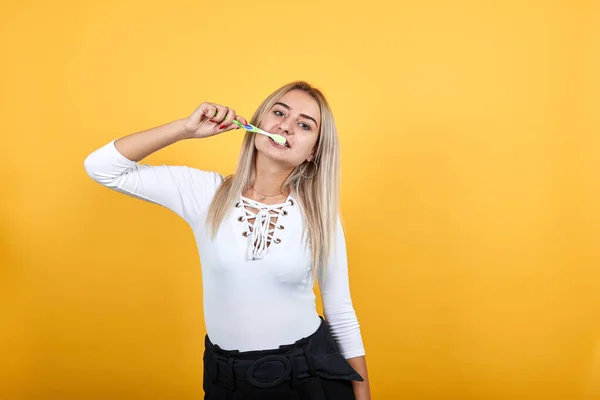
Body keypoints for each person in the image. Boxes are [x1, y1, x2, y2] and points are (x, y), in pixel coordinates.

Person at [84, 81, 371, 400]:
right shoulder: (203, 192)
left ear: (314, 151)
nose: (286, 126)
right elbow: (101, 168)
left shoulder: (321, 215)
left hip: (309, 376)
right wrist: (185, 129)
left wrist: (363, 397)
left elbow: (341, 312)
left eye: (304, 125)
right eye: (279, 112)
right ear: (258, 124)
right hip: (227, 380)